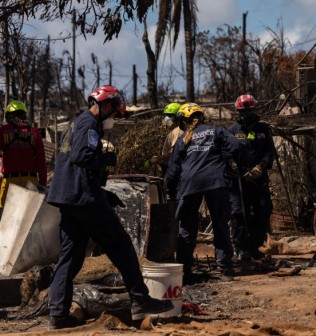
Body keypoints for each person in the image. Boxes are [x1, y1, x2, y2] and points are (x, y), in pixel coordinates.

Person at [46, 85, 173, 330]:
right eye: (114, 113)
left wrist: (103, 192)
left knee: (70, 258)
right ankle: (140, 300)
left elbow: (75, 167)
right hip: (84, 199)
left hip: (69, 198)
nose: (113, 118)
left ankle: (58, 314)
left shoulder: (78, 123)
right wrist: (106, 160)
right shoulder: (89, 125)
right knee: (121, 245)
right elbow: (82, 158)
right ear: (105, 105)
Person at [165, 103, 238, 283]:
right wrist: (229, 161)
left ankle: (184, 273)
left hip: (190, 185)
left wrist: (171, 192)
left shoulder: (182, 140)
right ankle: (225, 270)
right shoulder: (216, 131)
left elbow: (172, 171)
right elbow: (237, 146)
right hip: (216, 182)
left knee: (187, 228)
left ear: (182, 121)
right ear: (202, 117)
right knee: (220, 225)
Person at [226, 94, 275, 261]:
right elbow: (225, 152)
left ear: (254, 110)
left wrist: (261, 167)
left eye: (248, 110)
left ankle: (255, 246)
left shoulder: (263, 130)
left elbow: (270, 153)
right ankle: (241, 249)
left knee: (263, 210)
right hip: (239, 182)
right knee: (239, 213)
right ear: (237, 111)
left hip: (258, 181)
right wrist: (232, 163)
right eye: (241, 111)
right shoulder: (231, 131)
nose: (245, 114)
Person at [0, 100, 47, 209]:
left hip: (10, 182)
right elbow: (41, 162)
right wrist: (43, 185)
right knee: (28, 220)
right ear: (23, 114)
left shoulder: (2, 131)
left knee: (5, 219)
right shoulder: (35, 132)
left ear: (8, 115)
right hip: (31, 183)